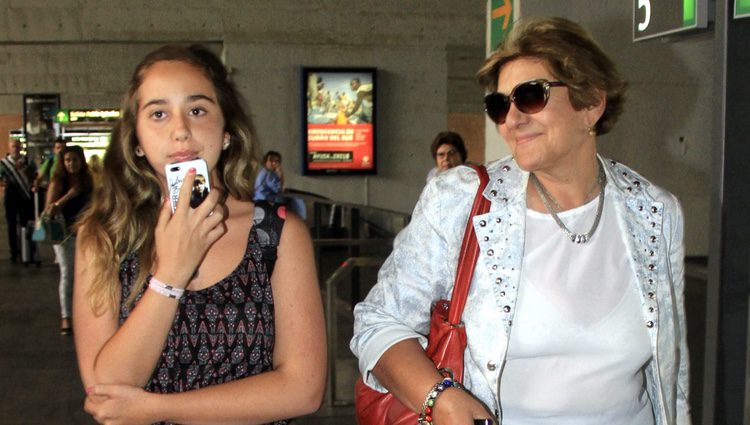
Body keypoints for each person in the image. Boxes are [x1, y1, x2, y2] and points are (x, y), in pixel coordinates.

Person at [351, 16, 689, 425]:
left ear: (592, 104)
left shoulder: (654, 212)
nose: (512, 119)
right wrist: (438, 398)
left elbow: (672, 375)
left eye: (531, 96)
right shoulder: (460, 200)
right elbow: (378, 321)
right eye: (499, 105)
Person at [73, 44, 326, 425]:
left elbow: (303, 389)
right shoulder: (105, 237)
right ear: (137, 141)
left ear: (226, 132)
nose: (180, 130)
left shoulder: (277, 234)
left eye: (197, 110)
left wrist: (158, 409)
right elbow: (107, 389)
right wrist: (172, 273)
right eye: (158, 113)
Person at [45, 145, 93, 335]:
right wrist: (68, 196)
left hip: (84, 233)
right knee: (67, 273)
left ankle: (82, 314)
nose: (71, 164)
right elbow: (49, 211)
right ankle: (66, 316)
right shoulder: (58, 182)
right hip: (63, 235)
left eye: (74, 160)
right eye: (67, 160)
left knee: (84, 274)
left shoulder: (88, 181)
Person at [0, 138, 36, 263]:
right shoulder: (3, 163)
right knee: (11, 225)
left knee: (25, 224)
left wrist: (25, 170)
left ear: (21, 148)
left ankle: (26, 250)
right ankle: (13, 252)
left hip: (24, 196)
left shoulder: (27, 161)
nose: (15, 148)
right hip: (10, 196)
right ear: (9, 148)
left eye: (17, 146)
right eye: (13, 146)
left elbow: (35, 177)